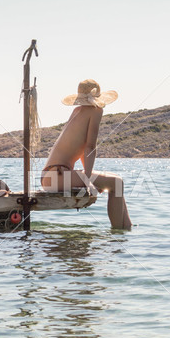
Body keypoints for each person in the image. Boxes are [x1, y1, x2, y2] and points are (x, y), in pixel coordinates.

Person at [41, 79, 132, 230]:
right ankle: (120, 235)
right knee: (116, 183)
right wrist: (87, 179)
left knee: (117, 181)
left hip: (50, 176)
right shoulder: (96, 111)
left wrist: (87, 176)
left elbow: (84, 149)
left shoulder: (77, 111)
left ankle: (127, 227)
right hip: (56, 176)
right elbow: (90, 147)